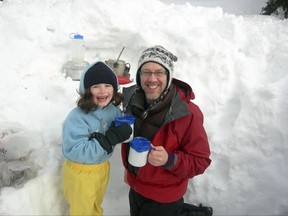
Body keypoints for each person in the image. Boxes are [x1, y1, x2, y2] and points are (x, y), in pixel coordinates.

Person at [121, 45, 211, 216]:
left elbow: (200, 161)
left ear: (168, 76)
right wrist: (129, 170)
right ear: (139, 76)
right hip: (135, 188)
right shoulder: (132, 99)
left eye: (159, 72)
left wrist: (170, 159)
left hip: (164, 198)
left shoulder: (188, 113)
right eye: (146, 72)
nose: (152, 78)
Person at [61, 61, 132, 216]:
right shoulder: (77, 117)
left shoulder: (112, 110)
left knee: (94, 205)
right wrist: (109, 139)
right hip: (80, 172)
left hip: (101, 168)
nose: (102, 91)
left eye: (107, 85)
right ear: (87, 90)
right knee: (82, 211)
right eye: (95, 86)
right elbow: (75, 150)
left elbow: (122, 128)